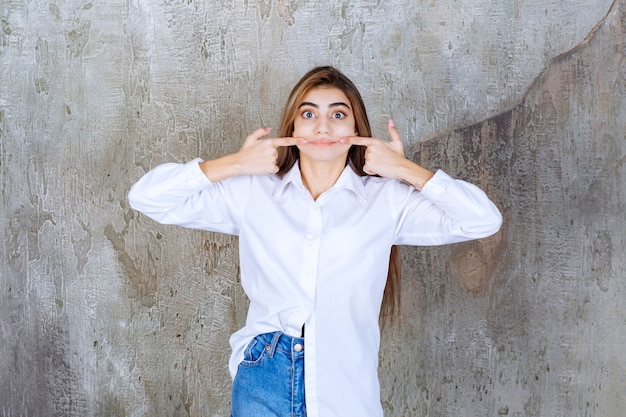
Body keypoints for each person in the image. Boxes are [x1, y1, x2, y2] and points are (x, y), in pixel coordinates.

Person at [128, 66, 502, 417]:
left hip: (345, 382)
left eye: (338, 115)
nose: (322, 127)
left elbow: (482, 219)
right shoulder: (253, 192)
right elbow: (146, 197)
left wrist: (403, 170)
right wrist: (236, 163)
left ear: (357, 127)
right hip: (264, 372)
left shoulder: (387, 200)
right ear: (292, 125)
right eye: (309, 114)